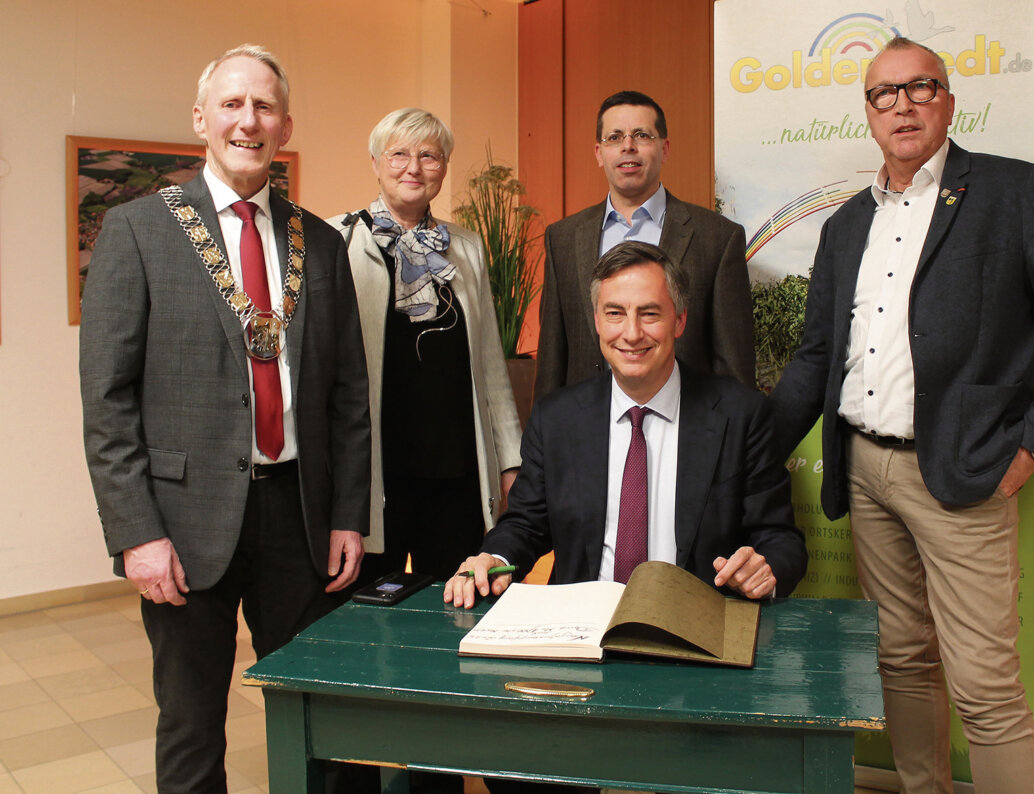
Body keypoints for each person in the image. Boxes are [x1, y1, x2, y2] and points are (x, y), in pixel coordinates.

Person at [769, 37, 1034, 793]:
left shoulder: (1014, 193)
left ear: (949, 101)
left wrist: (1033, 449)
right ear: (868, 112)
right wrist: (748, 450)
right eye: (883, 94)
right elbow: (815, 357)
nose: (901, 106)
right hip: (864, 471)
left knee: (985, 687)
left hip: (964, 474)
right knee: (899, 658)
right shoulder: (846, 225)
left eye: (919, 87)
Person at [79, 45, 370, 793]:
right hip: (183, 524)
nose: (249, 121)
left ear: (285, 126)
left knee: (321, 719)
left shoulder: (320, 242)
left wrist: (348, 515)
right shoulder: (138, 230)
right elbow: (108, 402)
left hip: (301, 518)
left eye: (265, 107)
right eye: (233, 105)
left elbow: (347, 396)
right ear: (200, 119)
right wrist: (137, 533)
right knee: (191, 724)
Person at [447, 241, 806, 609]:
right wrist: (495, 558)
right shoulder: (556, 418)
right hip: (582, 623)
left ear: (679, 320)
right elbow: (525, 525)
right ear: (597, 321)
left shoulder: (741, 416)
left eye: (649, 314)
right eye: (615, 313)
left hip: (696, 623)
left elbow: (781, 541)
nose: (632, 333)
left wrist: (765, 570)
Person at [330, 108, 522, 585]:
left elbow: (490, 364)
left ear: (444, 166)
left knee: (457, 604)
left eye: (429, 156)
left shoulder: (468, 247)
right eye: (398, 154)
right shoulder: (336, 241)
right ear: (375, 162)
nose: (413, 168)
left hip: (455, 471)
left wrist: (511, 460)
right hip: (376, 474)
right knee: (369, 610)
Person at [534, 90, 755, 400]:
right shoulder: (563, 239)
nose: (628, 146)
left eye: (642, 135)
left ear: (665, 148)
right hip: (586, 423)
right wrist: (544, 427)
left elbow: (734, 369)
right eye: (614, 137)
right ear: (599, 153)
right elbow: (551, 361)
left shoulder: (717, 237)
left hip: (687, 420)